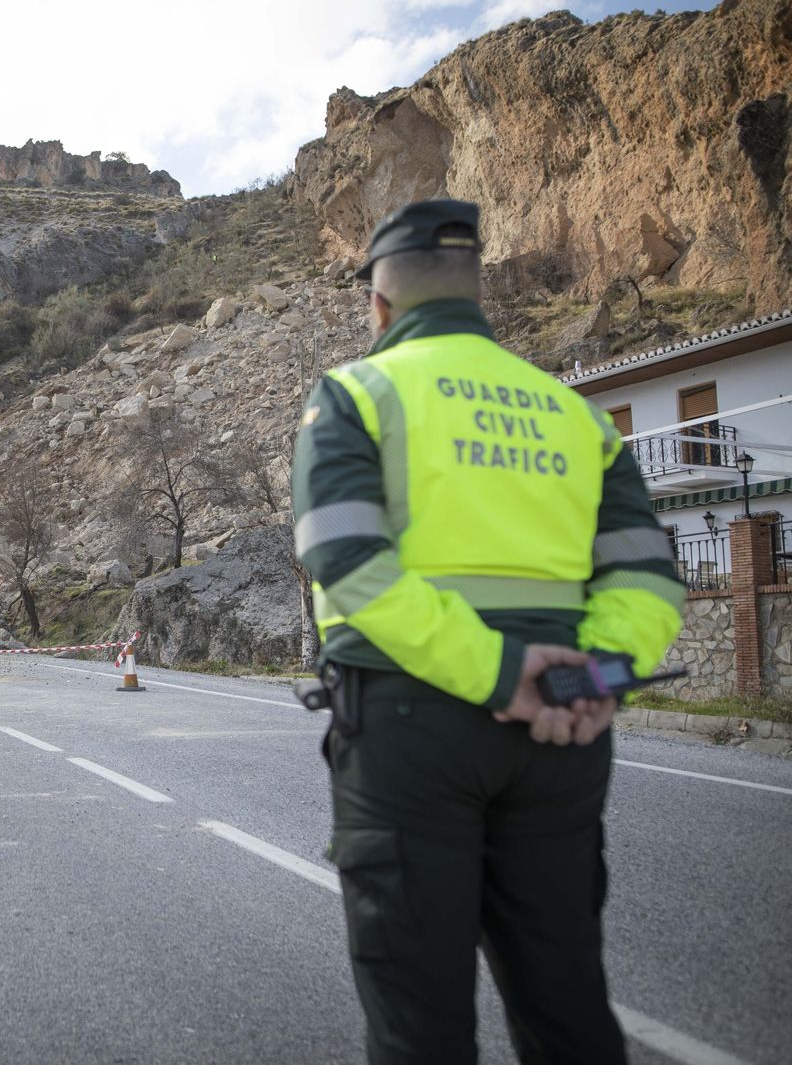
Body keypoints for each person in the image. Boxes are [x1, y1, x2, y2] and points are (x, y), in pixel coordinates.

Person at [290, 199, 683, 1064]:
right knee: (567, 1002)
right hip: (564, 731)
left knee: (419, 1020)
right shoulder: (573, 414)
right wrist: (595, 676)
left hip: (409, 726)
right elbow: (649, 575)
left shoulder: (359, 393)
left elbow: (347, 560)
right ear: (476, 296)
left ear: (381, 306)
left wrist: (504, 673)